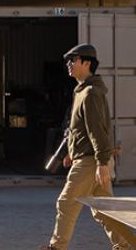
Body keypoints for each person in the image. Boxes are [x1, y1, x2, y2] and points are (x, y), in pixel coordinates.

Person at [42, 44, 133, 250]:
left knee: (66, 203)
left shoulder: (90, 93)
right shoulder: (82, 91)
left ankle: (57, 247)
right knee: (104, 210)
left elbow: (97, 130)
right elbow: (81, 129)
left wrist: (101, 162)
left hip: (91, 161)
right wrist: (71, 153)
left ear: (87, 63)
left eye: (73, 60)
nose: (69, 64)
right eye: (68, 61)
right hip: (90, 158)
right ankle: (127, 245)